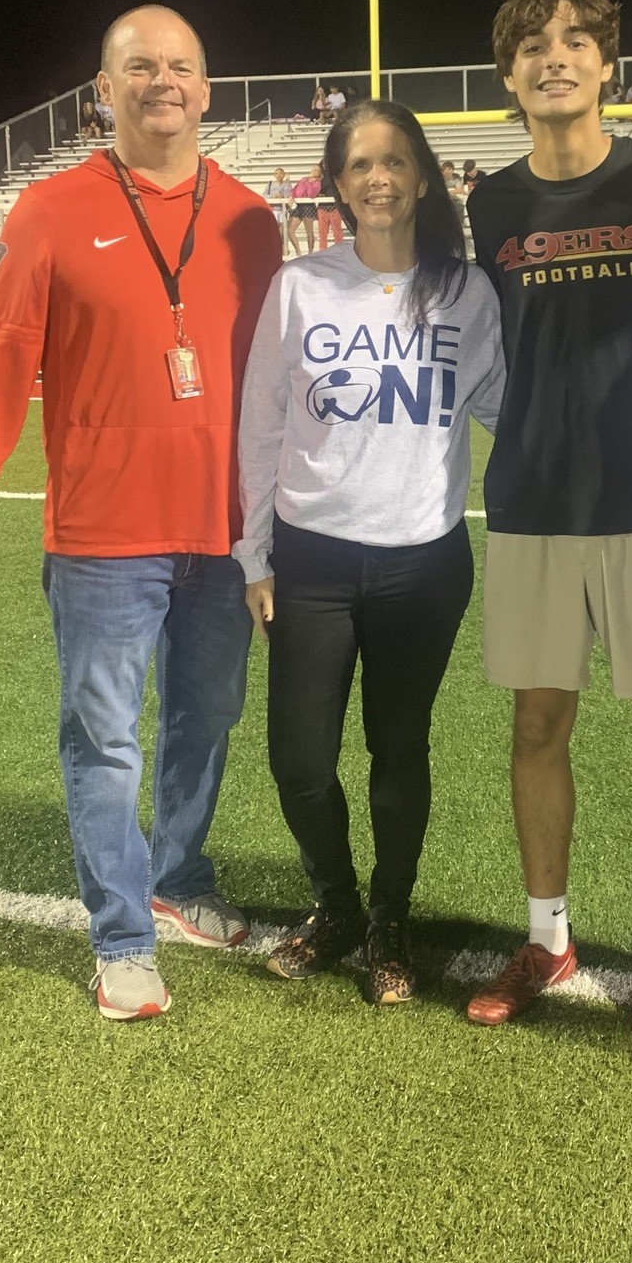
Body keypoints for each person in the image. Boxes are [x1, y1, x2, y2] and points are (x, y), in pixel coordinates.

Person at [0, 6, 282, 1021]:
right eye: (140, 66)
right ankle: (123, 939)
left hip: (224, 535)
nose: (161, 80)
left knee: (205, 722)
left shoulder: (253, 219)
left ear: (206, 91)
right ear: (104, 91)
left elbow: (276, 385)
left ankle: (179, 879)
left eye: (179, 66)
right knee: (106, 741)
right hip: (101, 541)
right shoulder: (48, 210)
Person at [464, 0, 632, 1044]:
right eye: (531, 42)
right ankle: (549, 936)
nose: (552, 55)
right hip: (528, 500)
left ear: (609, 63)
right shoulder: (494, 203)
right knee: (536, 722)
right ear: (509, 72)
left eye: (575, 40)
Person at [236, 101, 505, 1004]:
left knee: (399, 755)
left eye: (393, 161)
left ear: (423, 175)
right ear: (338, 185)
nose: (378, 178)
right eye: (358, 165)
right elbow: (263, 423)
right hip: (310, 561)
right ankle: (337, 905)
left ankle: (390, 918)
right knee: (299, 762)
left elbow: (504, 406)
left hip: (420, 565)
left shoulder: (466, 291)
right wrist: (256, 555)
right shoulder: (302, 285)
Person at [290, 168, 321, 254]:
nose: (314, 171)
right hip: (299, 205)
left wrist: (310, 182)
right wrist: (292, 196)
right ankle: (298, 251)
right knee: (290, 230)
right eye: (313, 169)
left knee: (309, 232)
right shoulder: (304, 179)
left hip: (308, 206)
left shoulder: (318, 183)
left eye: (317, 170)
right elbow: (295, 190)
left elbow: (311, 194)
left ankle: (310, 252)